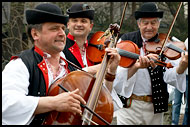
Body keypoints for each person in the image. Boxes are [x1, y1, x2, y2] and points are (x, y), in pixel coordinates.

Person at [2, 3, 120, 125]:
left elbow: (100, 101)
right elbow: (6, 104)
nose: (62, 33)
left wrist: (110, 72)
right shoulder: (21, 64)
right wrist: (54, 103)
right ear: (35, 34)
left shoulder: (70, 67)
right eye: (54, 28)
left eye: (63, 28)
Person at [111, 2, 188, 125]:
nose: (149, 27)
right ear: (139, 24)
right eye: (145, 23)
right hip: (129, 106)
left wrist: (182, 66)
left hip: (154, 107)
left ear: (158, 23)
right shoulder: (126, 41)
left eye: (153, 23)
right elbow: (118, 76)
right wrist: (136, 66)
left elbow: (170, 76)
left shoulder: (167, 44)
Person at [63, 3, 95, 68]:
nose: (79, 24)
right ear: (68, 24)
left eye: (83, 21)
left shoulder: (95, 49)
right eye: (75, 21)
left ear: (90, 26)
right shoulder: (60, 47)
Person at [172, 37, 188, 125]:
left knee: (187, 106)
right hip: (180, 74)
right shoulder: (187, 41)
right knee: (176, 102)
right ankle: (174, 123)